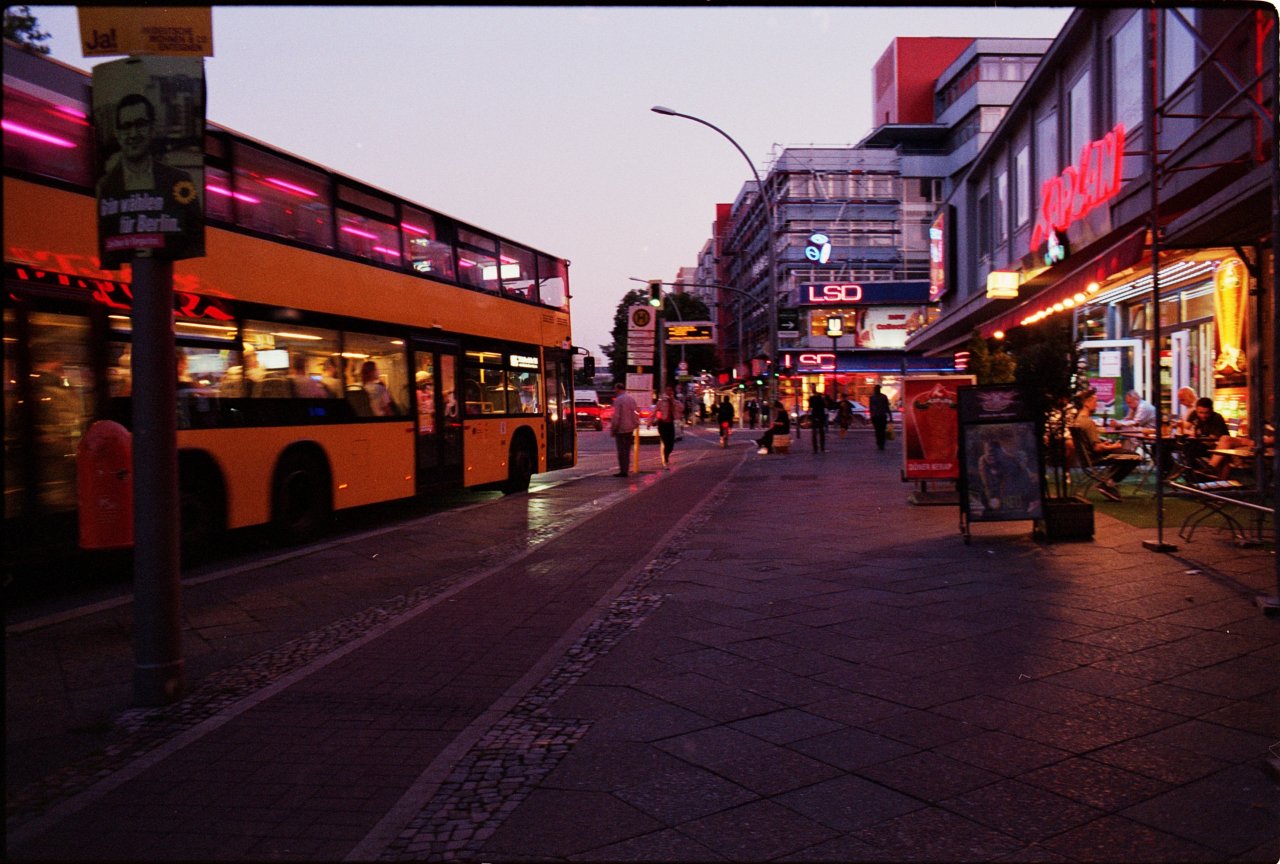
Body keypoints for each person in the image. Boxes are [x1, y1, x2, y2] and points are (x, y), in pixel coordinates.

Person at [97, 93, 202, 260]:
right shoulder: (106, 187)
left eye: (140, 124)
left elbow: (196, 240)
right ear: (117, 133)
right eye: (126, 126)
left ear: (152, 129)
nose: (133, 134)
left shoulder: (180, 180)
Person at [1072, 389, 1140, 501]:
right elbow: (1097, 448)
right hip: (1096, 458)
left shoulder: (1078, 421)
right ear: (1087, 403)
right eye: (1095, 402)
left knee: (1124, 455)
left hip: (1087, 457)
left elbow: (1091, 444)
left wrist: (1105, 444)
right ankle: (1108, 483)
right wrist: (1113, 447)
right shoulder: (1088, 423)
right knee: (1135, 457)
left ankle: (1107, 481)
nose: (1096, 405)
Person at [609, 382, 639, 477]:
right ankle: (626, 469)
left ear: (618, 389)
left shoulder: (618, 400)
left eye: (615, 389)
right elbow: (635, 413)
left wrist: (614, 429)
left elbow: (616, 416)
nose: (614, 391)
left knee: (621, 451)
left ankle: (623, 470)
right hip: (630, 429)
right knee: (627, 450)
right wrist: (635, 424)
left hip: (621, 429)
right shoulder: (631, 399)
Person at [651, 385, 683, 469]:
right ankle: (665, 460)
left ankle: (667, 456)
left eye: (670, 391)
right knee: (665, 442)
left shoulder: (675, 402)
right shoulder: (661, 401)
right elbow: (654, 411)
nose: (669, 392)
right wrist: (650, 422)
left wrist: (673, 401)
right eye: (667, 390)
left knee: (671, 444)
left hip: (670, 424)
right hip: (663, 424)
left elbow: (681, 408)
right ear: (665, 392)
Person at [869, 384, 891, 450]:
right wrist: (890, 416)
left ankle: (879, 443)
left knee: (878, 431)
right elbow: (887, 407)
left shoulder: (872, 397)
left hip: (876, 416)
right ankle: (881, 444)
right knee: (882, 431)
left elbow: (871, 408)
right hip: (882, 416)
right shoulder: (883, 397)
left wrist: (871, 416)